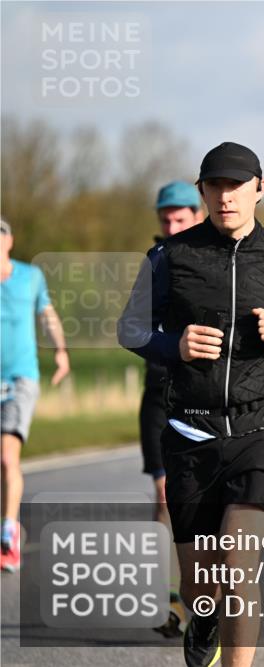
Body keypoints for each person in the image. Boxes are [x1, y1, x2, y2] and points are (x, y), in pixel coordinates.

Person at [118, 142, 264, 667]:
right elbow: (131, 328)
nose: (225, 196)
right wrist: (174, 345)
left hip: (262, 430)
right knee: (201, 583)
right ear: (202, 192)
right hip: (192, 435)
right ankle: (204, 617)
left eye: (236, 186)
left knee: (238, 563)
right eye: (214, 186)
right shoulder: (169, 257)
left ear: (260, 188)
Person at [141, 181, 205, 636]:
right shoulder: (155, 262)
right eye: (166, 218)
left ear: (197, 216)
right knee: (165, 496)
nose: (171, 225)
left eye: (180, 217)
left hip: (203, 398)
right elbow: (135, 329)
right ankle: (171, 602)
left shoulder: (213, 257)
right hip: (160, 395)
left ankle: (201, 593)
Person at [1, 218, 71, 574]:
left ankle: (8, 534)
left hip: (20, 379)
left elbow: (48, 315)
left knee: (8, 456)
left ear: (9, 241)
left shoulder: (30, 277)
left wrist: (61, 351)